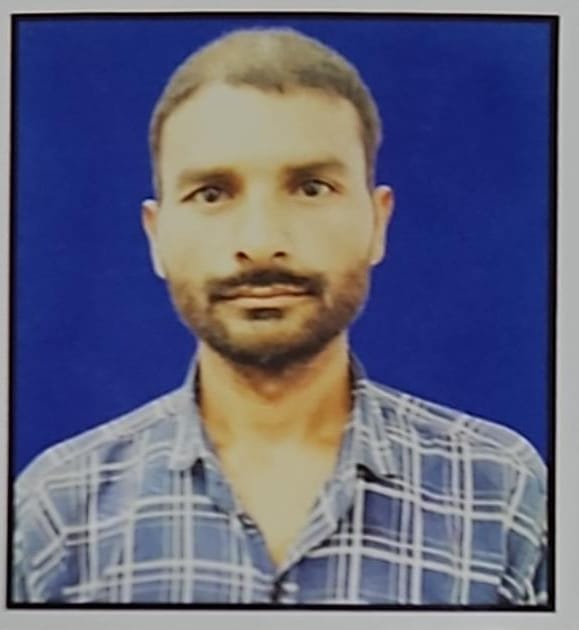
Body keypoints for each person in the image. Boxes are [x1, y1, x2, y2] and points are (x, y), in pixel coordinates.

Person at [12, 27, 547, 606]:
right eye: (212, 193)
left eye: (311, 188)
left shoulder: (501, 493)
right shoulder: (59, 511)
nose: (262, 241)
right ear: (156, 236)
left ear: (377, 223)